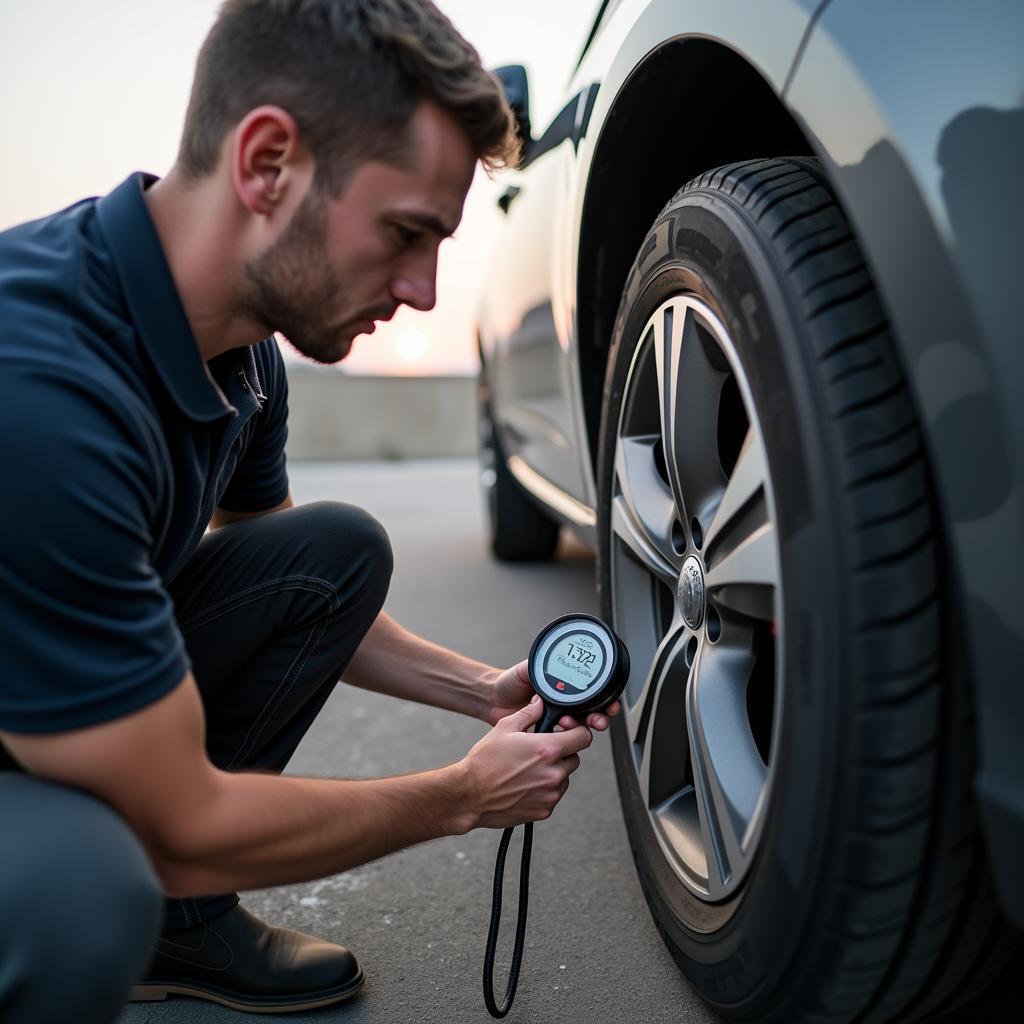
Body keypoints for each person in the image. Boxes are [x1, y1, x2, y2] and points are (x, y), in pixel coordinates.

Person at [0, 1, 620, 1021]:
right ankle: (135, 908)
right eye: (406, 234)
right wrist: (462, 794)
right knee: (79, 891)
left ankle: (182, 926)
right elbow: (182, 822)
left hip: (44, 694)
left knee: (331, 551)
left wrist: (481, 690)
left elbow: (282, 582)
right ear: (268, 162)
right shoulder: (46, 396)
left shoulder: (243, 350)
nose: (423, 291)